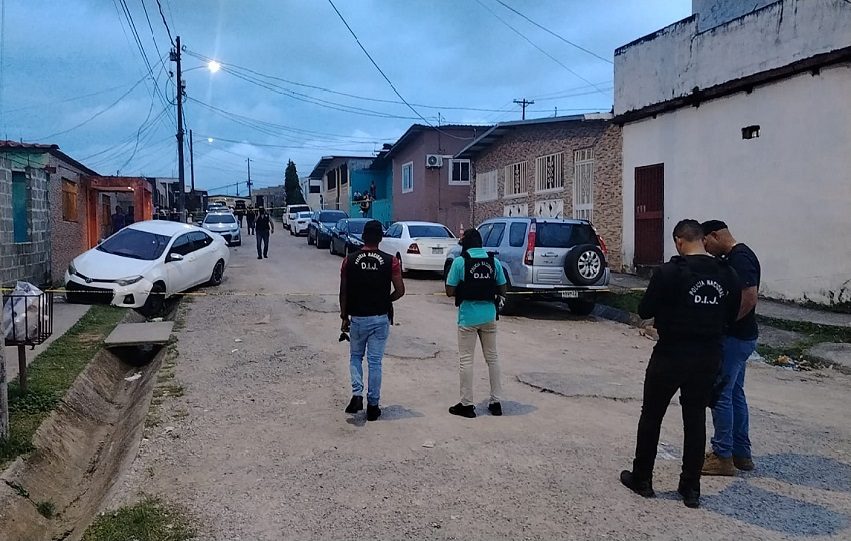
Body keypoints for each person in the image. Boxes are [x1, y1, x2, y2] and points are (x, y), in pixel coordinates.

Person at [620, 219, 741, 509]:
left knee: (652, 414)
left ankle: (643, 479)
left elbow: (645, 309)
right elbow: (732, 312)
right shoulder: (728, 273)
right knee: (695, 418)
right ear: (702, 239)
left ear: (679, 241)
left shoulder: (668, 272)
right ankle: (690, 488)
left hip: (671, 352)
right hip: (709, 354)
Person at [701, 220, 761, 476]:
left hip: (735, 338)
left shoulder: (741, 258)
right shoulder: (736, 256)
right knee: (735, 392)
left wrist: (725, 324)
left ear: (714, 235)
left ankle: (722, 454)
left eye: (706, 243)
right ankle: (741, 453)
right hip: (742, 337)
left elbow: (749, 296)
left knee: (720, 393)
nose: (706, 249)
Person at [339, 220, 405, 421]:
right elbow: (400, 290)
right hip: (380, 317)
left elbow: (344, 291)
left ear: (363, 237)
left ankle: (357, 394)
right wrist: (387, 300)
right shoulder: (391, 261)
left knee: (355, 357)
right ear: (381, 238)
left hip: (358, 317)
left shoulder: (349, 260)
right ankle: (373, 406)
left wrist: (344, 316)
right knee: (375, 362)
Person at [444, 228, 508, 418]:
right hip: (489, 315)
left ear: (465, 244)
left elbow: (449, 291)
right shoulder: (493, 261)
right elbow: (502, 288)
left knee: (466, 360)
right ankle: (496, 402)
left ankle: (467, 404)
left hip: (468, 317)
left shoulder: (459, 262)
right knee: (493, 358)